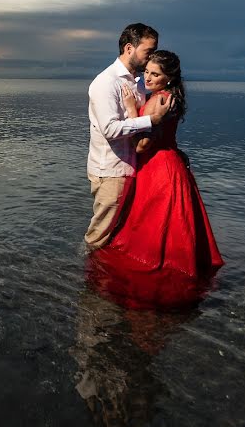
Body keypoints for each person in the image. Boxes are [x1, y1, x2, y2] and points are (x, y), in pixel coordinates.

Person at [92, 50, 224, 304]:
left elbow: (142, 145)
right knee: (177, 224)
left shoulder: (157, 101)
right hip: (172, 165)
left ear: (169, 78)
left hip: (157, 169)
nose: (148, 78)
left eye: (156, 74)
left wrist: (132, 109)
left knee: (150, 228)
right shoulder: (171, 97)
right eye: (147, 72)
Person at [86, 23, 174, 249]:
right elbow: (110, 129)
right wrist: (151, 120)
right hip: (111, 171)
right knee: (98, 237)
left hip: (132, 168)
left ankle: (103, 279)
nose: (151, 57)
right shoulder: (106, 82)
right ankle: (85, 279)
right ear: (129, 48)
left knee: (117, 235)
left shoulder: (138, 83)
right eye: (148, 51)